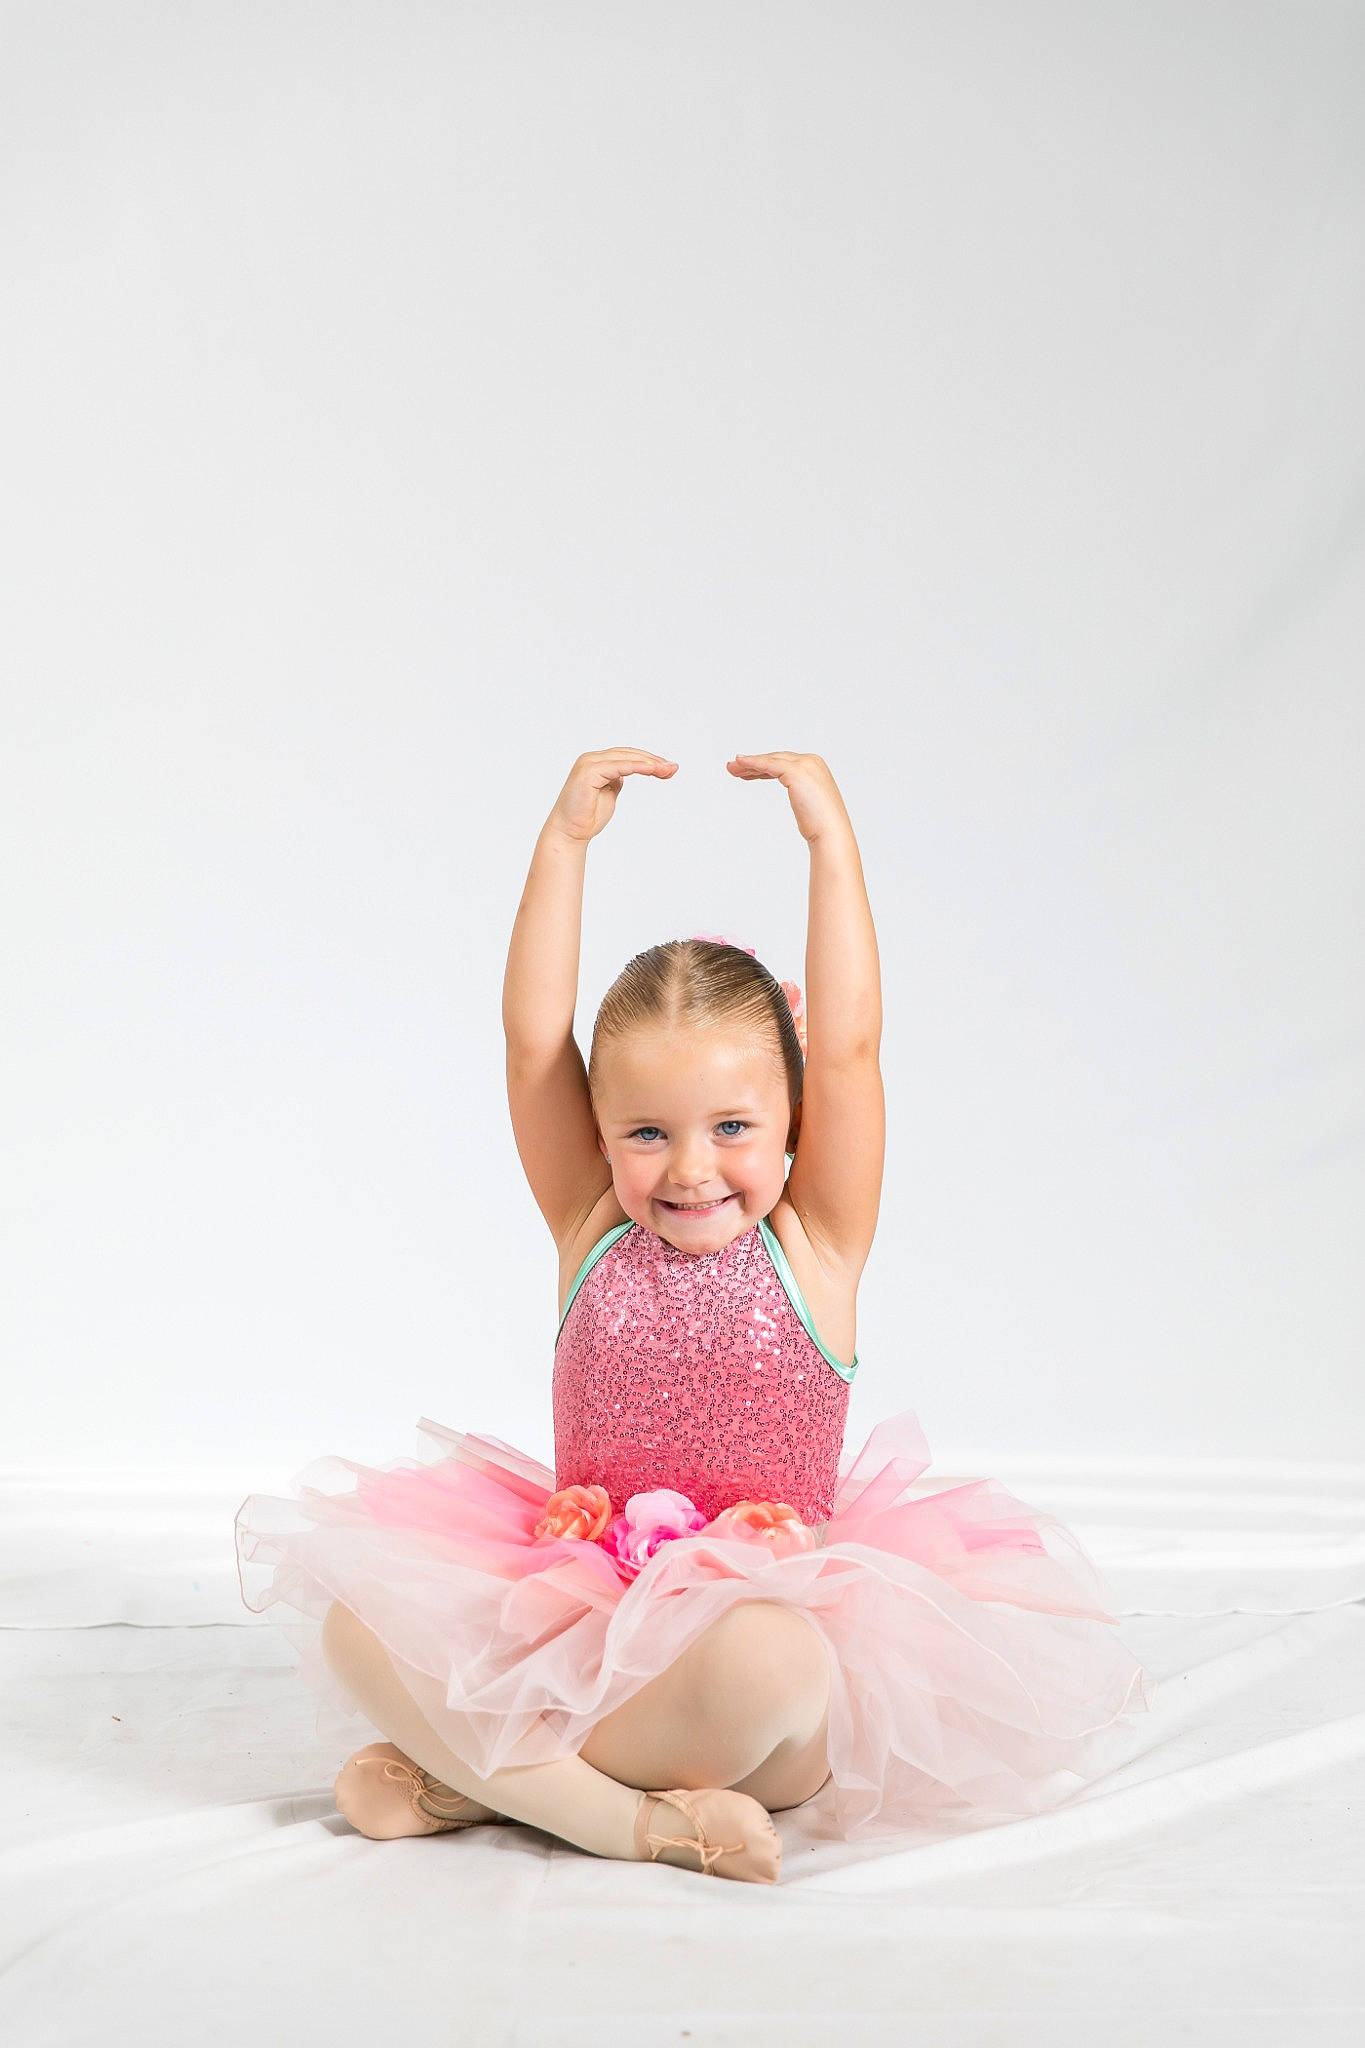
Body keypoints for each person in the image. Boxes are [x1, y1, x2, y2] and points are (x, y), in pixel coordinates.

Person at [234, 747, 1154, 1885]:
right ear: (602, 1128)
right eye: (647, 1131)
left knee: (772, 1661)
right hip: (575, 1625)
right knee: (356, 1620)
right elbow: (533, 1046)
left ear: (793, 1116)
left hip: (749, 1672)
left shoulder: (813, 1247)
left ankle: (476, 1771)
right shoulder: (591, 1227)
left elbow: (856, 1045)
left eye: (731, 1126)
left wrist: (830, 845)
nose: (690, 1168)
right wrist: (563, 843)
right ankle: (631, 1820)